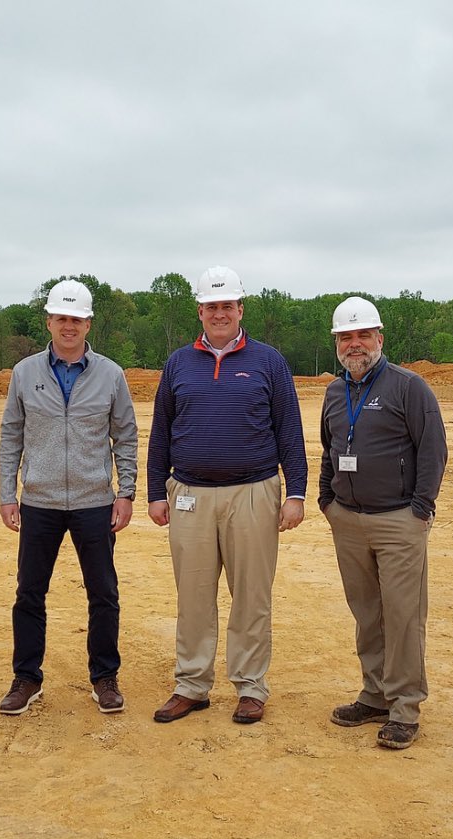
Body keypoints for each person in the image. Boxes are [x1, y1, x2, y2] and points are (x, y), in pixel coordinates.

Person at [147, 266, 307, 725]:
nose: (220, 313)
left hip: (254, 492)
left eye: (227, 306)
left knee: (251, 596)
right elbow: (161, 432)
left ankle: (250, 686)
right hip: (190, 494)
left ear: (241, 308)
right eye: (211, 306)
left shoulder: (269, 361)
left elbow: (289, 429)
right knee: (193, 596)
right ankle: (192, 685)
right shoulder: (178, 363)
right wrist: (157, 492)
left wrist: (294, 492)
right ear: (200, 310)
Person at [0, 279, 138, 715]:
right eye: (61, 318)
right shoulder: (25, 373)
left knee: (103, 593)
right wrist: (7, 494)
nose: (68, 326)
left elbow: (126, 436)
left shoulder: (111, 375)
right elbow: (12, 435)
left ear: (88, 322)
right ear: (49, 321)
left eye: (76, 319)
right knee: (29, 593)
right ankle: (26, 677)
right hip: (39, 502)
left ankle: (104, 677)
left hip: (95, 502)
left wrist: (126, 492)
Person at [318, 296, 448, 749]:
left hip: (398, 521)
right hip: (348, 521)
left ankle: (405, 707)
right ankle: (374, 694)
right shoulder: (336, 393)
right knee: (367, 613)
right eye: (345, 337)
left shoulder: (409, 387)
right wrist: (326, 499)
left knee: (403, 614)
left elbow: (433, 450)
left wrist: (421, 508)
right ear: (336, 343)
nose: (354, 345)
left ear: (379, 338)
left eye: (362, 335)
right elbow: (329, 449)